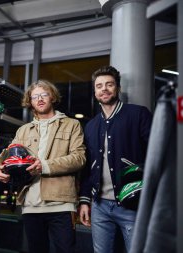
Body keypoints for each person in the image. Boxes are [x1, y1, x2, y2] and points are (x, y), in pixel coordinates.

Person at [0, 79, 86, 253]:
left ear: (53, 97)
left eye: (44, 95)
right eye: (35, 96)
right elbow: (8, 154)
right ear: (30, 101)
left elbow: (79, 158)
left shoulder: (72, 124)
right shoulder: (24, 130)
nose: (40, 99)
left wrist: (44, 166)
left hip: (61, 203)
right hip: (30, 204)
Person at [78, 66, 153, 252]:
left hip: (133, 204)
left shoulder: (138, 114)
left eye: (109, 84)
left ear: (117, 88)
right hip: (99, 206)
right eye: (99, 86)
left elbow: (156, 155)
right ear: (95, 92)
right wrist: (85, 200)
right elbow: (88, 168)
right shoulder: (91, 126)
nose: (104, 89)